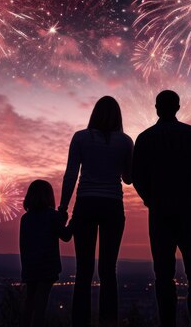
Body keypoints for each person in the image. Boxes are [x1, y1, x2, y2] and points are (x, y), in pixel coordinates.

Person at [132, 90, 191, 327]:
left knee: (163, 276)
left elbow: (137, 177)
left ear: (156, 107)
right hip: (190, 211)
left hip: (160, 214)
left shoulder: (145, 138)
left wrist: (151, 199)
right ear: (178, 107)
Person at [59, 96, 134, 327]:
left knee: (83, 270)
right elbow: (129, 179)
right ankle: (108, 322)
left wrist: (63, 207)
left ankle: (79, 322)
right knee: (108, 270)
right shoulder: (125, 141)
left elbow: (71, 173)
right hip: (112, 205)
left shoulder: (80, 137)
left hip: (86, 204)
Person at [20, 179, 72, 327]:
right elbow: (66, 236)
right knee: (41, 305)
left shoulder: (25, 219)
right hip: (47, 267)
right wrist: (73, 221)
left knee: (29, 304)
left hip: (30, 267)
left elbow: (24, 244)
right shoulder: (52, 215)